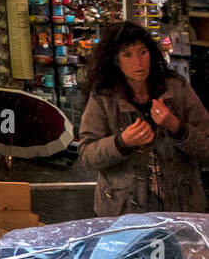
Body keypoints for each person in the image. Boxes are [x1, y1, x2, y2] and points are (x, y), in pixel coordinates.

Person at [79, 21, 209, 216]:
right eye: (127, 54)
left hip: (181, 209)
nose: (138, 62)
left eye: (142, 52)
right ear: (115, 60)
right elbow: (87, 154)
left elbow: (206, 150)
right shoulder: (104, 97)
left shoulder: (177, 88)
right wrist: (121, 143)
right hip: (124, 212)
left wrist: (177, 128)